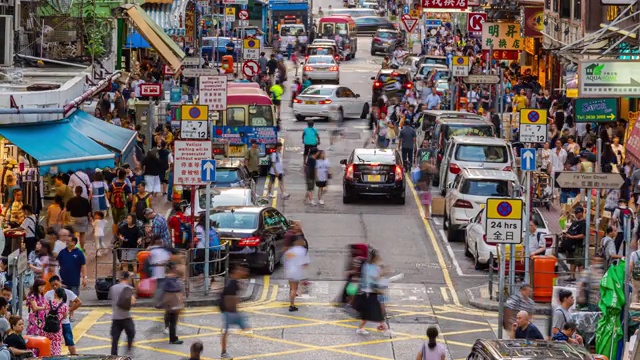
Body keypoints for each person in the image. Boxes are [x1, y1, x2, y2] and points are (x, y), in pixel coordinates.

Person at [220, 264, 252, 359]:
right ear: (234, 272)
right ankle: (224, 352)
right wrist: (234, 311)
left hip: (230, 311)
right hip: (229, 311)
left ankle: (224, 352)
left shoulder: (233, 282)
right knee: (226, 331)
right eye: (240, 270)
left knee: (226, 331)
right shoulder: (231, 283)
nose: (242, 272)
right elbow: (229, 298)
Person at [45, 275, 81, 354]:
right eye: (52, 285)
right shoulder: (48, 294)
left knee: (69, 341)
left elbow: (78, 302)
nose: (55, 287)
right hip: (52, 323)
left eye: (56, 284)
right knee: (52, 342)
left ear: (60, 282)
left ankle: (74, 356)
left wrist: (69, 310)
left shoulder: (68, 292)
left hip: (64, 322)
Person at [356, 249, 389, 335]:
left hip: (369, 293)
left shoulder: (366, 266)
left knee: (368, 314)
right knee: (377, 312)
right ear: (375, 259)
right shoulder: (371, 268)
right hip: (369, 293)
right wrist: (381, 274)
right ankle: (385, 329)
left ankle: (360, 328)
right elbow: (374, 279)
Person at [110, 271, 136, 355]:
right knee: (131, 333)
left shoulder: (113, 288)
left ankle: (114, 356)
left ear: (121, 278)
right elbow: (132, 301)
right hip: (126, 317)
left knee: (115, 340)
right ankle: (128, 349)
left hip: (115, 317)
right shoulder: (129, 288)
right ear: (128, 278)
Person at [284, 237, 310, 312]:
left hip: (289, 271)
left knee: (292, 288)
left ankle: (291, 302)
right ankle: (292, 305)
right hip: (296, 272)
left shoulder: (290, 251)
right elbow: (306, 263)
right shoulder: (303, 251)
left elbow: (285, 260)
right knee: (294, 289)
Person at [42, 288, 69, 355]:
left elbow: (44, 312)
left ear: (55, 294)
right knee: (56, 346)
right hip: (57, 329)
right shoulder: (64, 306)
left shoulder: (48, 303)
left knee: (47, 345)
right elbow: (65, 316)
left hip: (47, 327)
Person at [162, 263, 184, 344]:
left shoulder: (164, 279)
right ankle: (173, 338)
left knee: (171, 320)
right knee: (173, 321)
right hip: (174, 303)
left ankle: (172, 336)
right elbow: (178, 291)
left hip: (167, 303)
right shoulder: (173, 279)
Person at [565, 207, 586, 281]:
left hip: (578, 245)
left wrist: (572, 237)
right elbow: (569, 230)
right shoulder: (574, 222)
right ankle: (571, 276)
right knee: (571, 261)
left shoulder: (583, 223)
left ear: (581, 213)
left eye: (577, 213)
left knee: (579, 262)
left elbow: (582, 235)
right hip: (571, 245)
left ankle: (582, 279)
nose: (576, 214)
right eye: (575, 213)